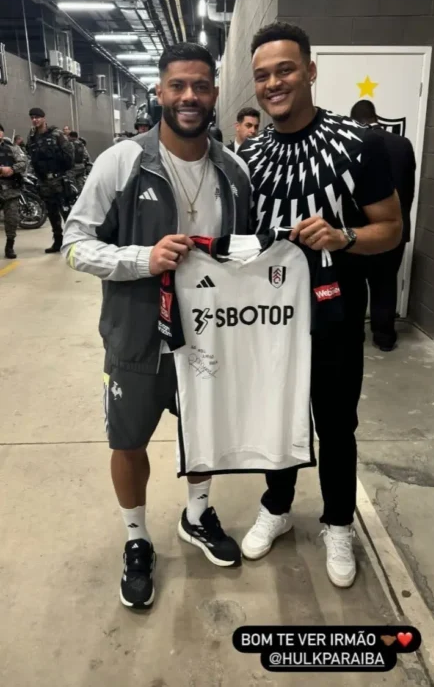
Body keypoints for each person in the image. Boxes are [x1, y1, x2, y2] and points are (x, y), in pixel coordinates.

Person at [61, 42, 251, 610]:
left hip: (210, 337)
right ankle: (137, 537)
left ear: (214, 93)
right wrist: (142, 259)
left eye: (200, 86)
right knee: (129, 441)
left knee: (203, 435)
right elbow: (74, 245)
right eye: (177, 86)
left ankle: (196, 514)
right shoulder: (120, 163)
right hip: (137, 337)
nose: (189, 96)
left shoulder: (234, 170)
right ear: (160, 91)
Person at [238, 22, 402, 588]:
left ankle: (337, 523)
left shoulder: (362, 145)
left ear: (310, 70)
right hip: (268, 321)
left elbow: (392, 229)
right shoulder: (248, 155)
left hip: (332, 314)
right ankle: (277, 507)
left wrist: (345, 237)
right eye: (263, 75)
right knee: (275, 419)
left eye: (285, 69)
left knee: (336, 425)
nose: (274, 82)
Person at [350, 100, 416, 351]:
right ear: (376, 116)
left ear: (355, 120)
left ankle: (355, 333)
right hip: (395, 231)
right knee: (385, 283)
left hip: (363, 233)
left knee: (356, 285)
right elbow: (408, 189)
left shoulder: (355, 143)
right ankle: (384, 336)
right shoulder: (403, 144)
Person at [26, 108, 74, 253]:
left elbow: (69, 154)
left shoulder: (56, 134)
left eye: (37, 117)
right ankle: (58, 242)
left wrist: (67, 175)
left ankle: (74, 242)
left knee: (66, 212)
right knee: (52, 213)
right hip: (44, 181)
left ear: (44, 118)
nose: (35, 120)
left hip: (59, 179)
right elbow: (31, 157)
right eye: (32, 117)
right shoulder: (32, 137)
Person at [0, 124, 27, 259]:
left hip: (11, 190)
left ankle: (9, 246)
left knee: (12, 220)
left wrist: (12, 169)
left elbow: (23, 162)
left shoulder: (13, 148)